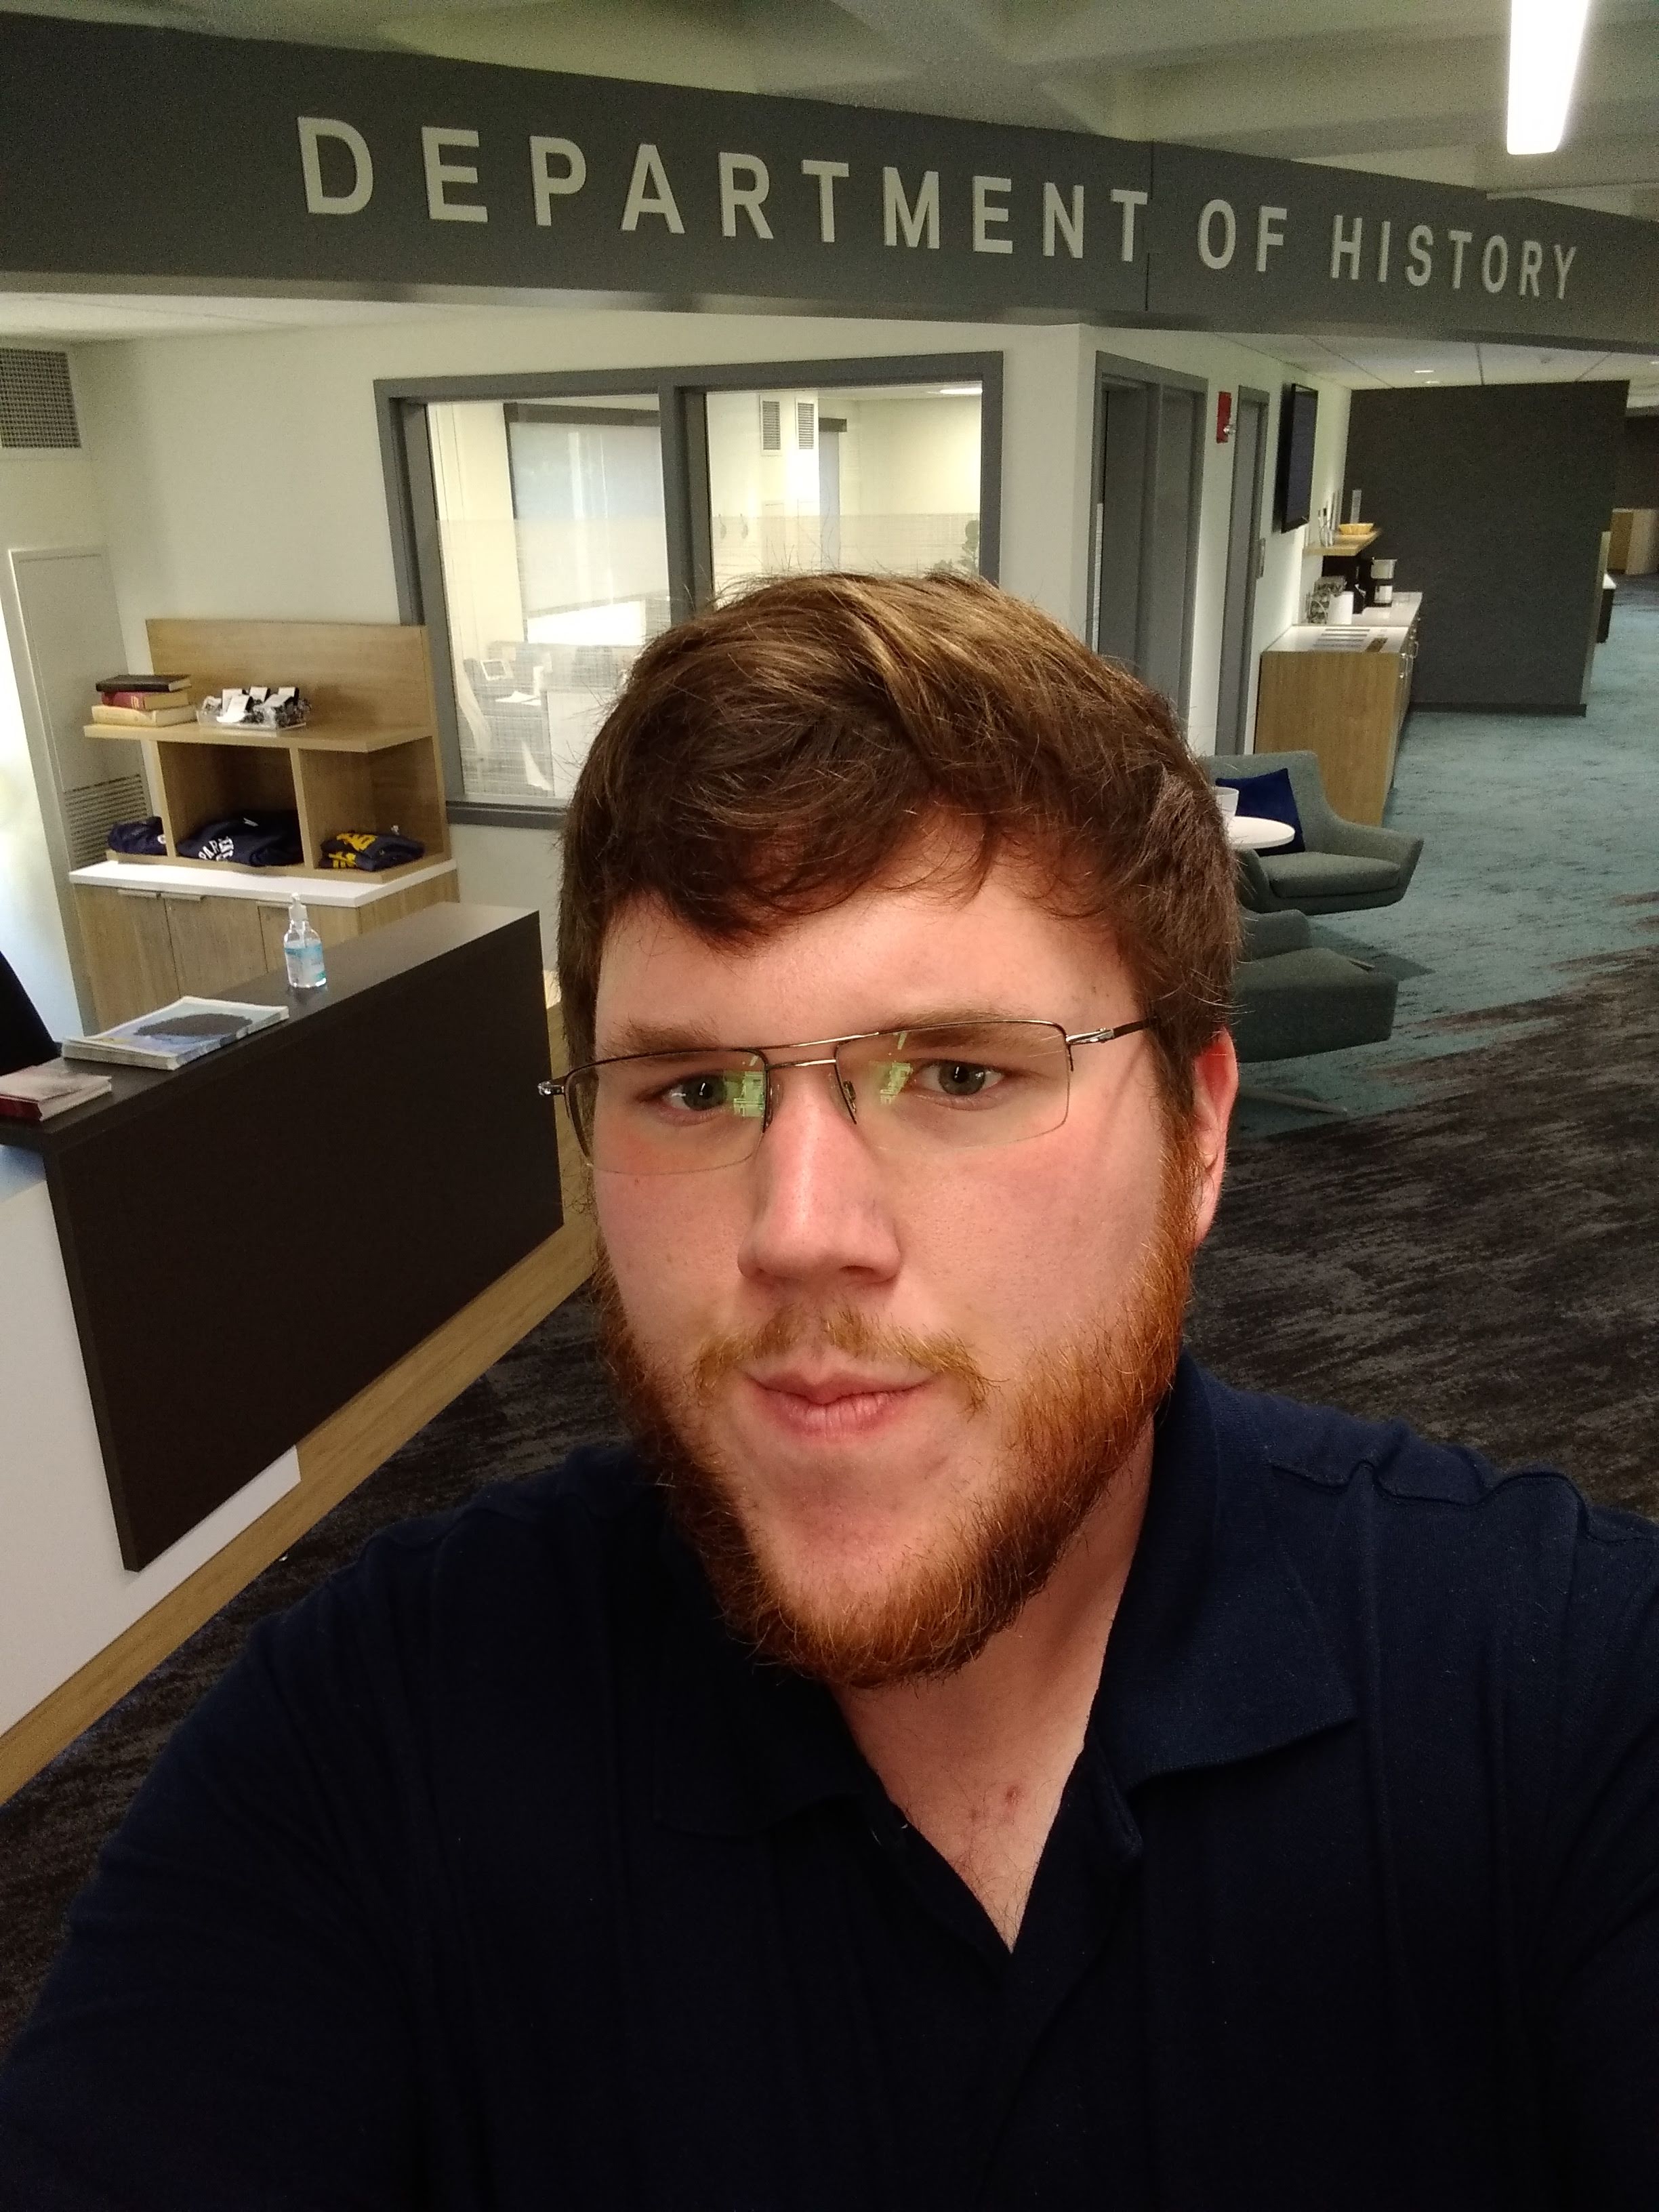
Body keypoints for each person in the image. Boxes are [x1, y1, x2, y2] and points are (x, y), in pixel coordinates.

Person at [2, 572, 1656, 2210]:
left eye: (956, 1073)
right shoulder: (369, 1740)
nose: (800, 1232)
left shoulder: (1567, 1691)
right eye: (695, 1087)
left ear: (1200, 1131)